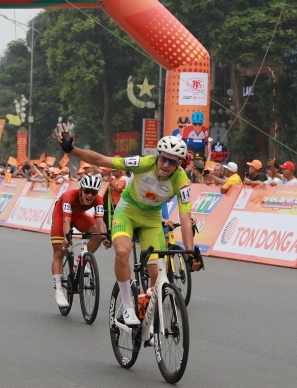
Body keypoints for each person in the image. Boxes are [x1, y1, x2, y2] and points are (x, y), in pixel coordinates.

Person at [57, 124, 196, 326]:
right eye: (163, 159)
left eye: (172, 162)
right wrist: (72, 149)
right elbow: (103, 160)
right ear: (157, 156)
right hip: (127, 212)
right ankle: (128, 306)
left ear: (179, 164)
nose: (166, 165)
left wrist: (190, 253)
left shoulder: (182, 181)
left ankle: (146, 316)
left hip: (152, 219)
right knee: (122, 252)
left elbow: (185, 217)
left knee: (156, 276)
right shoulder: (143, 163)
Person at [50, 175, 111, 307]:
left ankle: (80, 260)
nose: (90, 195)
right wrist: (67, 237)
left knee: (97, 235)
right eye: (87, 191)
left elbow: (100, 221)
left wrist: (103, 237)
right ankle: (59, 289)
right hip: (62, 215)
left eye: (94, 192)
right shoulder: (69, 196)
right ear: (81, 189)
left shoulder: (98, 199)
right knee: (59, 252)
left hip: (78, 216)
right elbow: (66, 220)